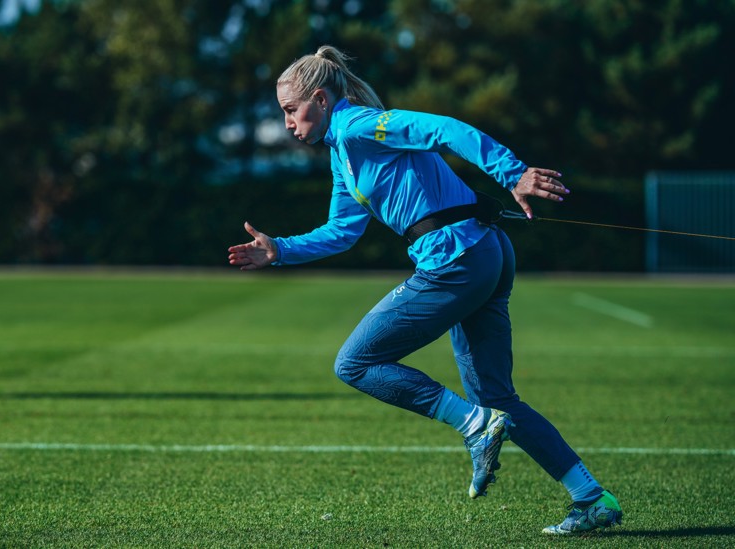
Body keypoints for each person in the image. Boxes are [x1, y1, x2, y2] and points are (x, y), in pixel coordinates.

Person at [227, 45, 623, 535]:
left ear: (322, 99)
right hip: (485, 254)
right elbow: (342, 232)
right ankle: (592, 498)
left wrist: (512, 172)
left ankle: (474, 426)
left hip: (457, 259)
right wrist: (279, 250)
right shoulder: (343, 154)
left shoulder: (358, 125)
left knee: (354, 363)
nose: (287, 122)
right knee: (497, 398)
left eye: (291, 109)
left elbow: (445, 129)